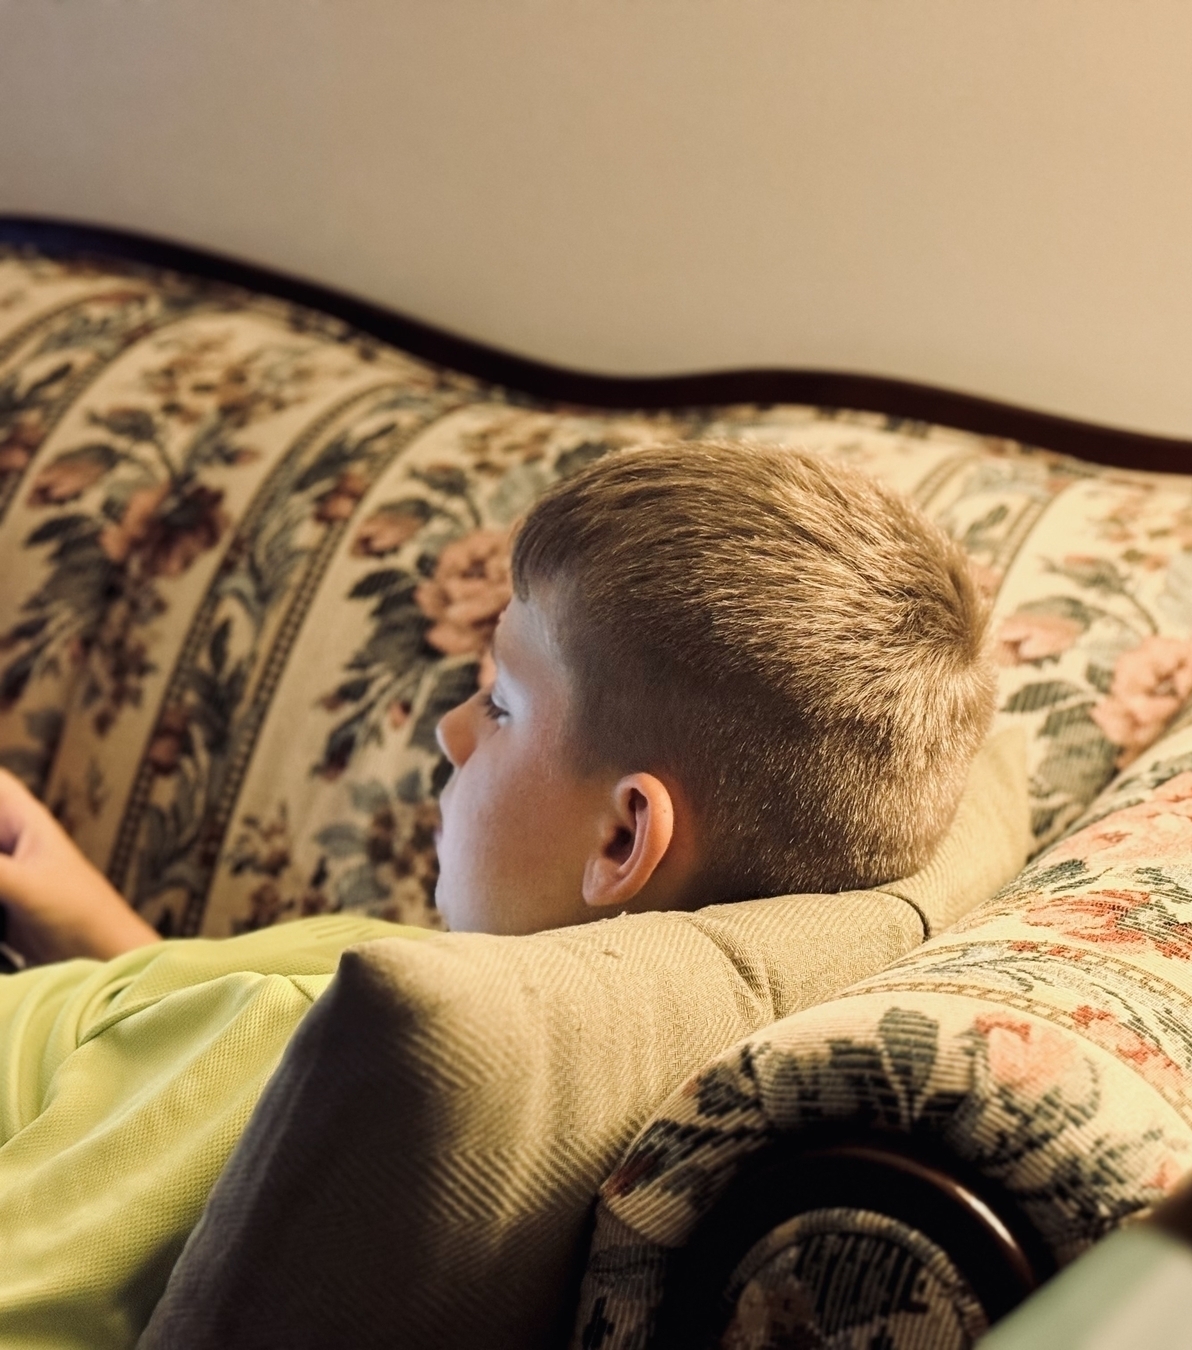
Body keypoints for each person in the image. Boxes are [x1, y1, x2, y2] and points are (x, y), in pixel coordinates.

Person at [0, 440, 996, 1343]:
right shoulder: (459, 996)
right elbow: (181, 1084)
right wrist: (87, 918)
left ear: (620, 837)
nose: (449, 731)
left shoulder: (308, 1037)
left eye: (503, 703)